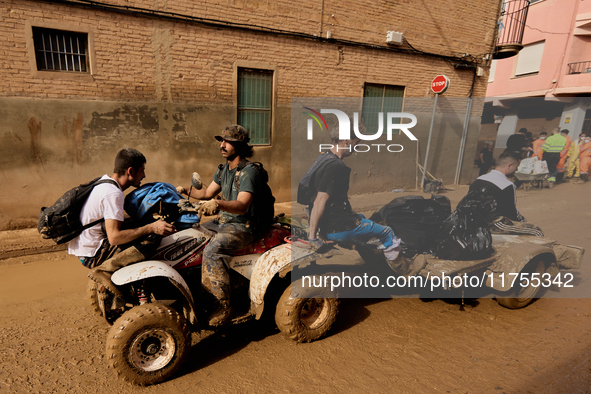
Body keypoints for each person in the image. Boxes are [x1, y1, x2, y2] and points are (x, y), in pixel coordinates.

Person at [176, 125, 275, 326]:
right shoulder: (223, 170)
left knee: (213, 250)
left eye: (227, 142)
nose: (222, 145)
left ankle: (222, 306)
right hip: (224, 222)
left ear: (239, 146)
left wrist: (218, 204)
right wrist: (181, 189)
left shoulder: (248, 172)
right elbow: (205, 193)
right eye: (221, 141)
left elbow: (241, 206)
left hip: (243, 226)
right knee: (192, 236)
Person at [302, 124, 425, 278]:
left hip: (328, 222)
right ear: (347, 141)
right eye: (357, 142)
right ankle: (405, 269)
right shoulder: (336, 167)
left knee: (362, 219)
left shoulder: (323, 157)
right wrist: (312, 238)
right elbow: (320, 201)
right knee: (387, 232)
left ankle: (375, 261)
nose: (357, 147)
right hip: (337, 227)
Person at [69, 148, 176, 292]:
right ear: (131, 171)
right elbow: (114, 238)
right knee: (152, 237)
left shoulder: (104, 182)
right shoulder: (113, 194)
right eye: (142, 170)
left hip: (85, 247)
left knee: (141, 224)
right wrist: (152, 227)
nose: (144, 175)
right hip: (94, 253)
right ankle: (105, 271)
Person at [459, 152, 543, 237]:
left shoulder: (478, 180)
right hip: (492, 223)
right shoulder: (507, 185)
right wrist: (523, 221)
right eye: (516, 167)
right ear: (509, 166)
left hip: (470, 220)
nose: (516, 170)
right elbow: (511, 213)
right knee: (536, 231)